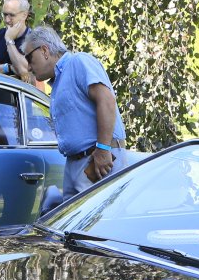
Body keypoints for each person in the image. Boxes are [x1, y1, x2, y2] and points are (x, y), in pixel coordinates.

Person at [20, 26, 134, 196]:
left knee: (99, 214)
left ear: (44, 50)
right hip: (76, 162)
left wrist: (103, 149)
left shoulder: (78, 62)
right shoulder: (59, 80)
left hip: (97, 161)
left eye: (29, 58)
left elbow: (107, 101)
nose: (28, 67)